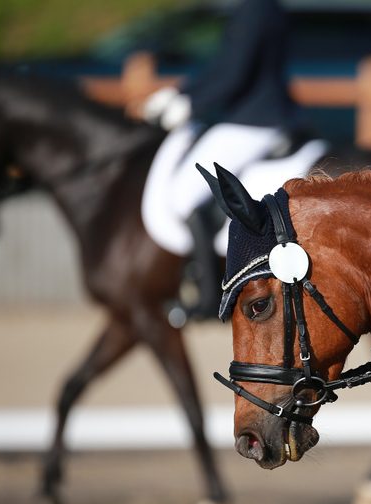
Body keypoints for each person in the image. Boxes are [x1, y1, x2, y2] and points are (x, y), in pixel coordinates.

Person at [140, 0, 299, 321]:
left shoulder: (254, 9)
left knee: (185, 194)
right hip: (250, 116)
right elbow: (222, 66)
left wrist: (191, 104)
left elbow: (234, 71)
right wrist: (182, 94)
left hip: (253, 120)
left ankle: (209, 297)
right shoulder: (256, 8)